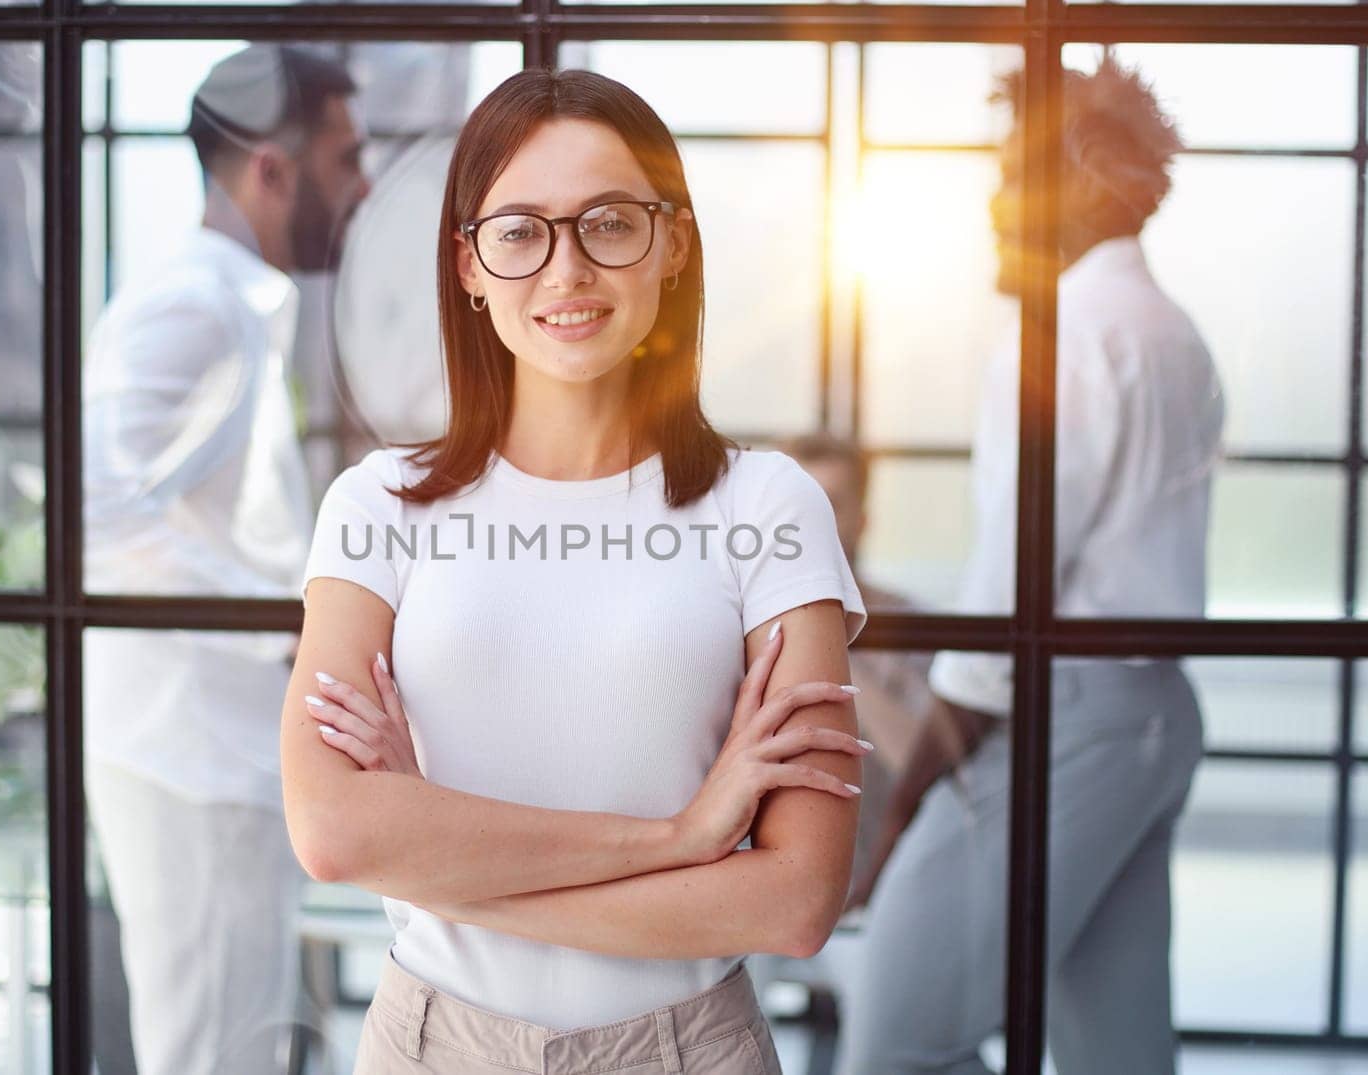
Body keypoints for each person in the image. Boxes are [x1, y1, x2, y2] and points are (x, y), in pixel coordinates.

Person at [281, 67, 871, 1074]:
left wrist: (436, 850)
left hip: (687, 1049)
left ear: (672, 244)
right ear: (467, 263)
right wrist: (683, 837)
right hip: (431, 1045)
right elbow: (336, 832)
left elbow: (794, 899)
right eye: (519, 232)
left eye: (608, 222)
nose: (565, 271)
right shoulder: (378, 506)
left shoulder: (765, 507)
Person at [838, 56, 1226, 1075]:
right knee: (1116, 1048)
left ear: (1089, 177)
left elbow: (1016, 587)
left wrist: (925, 771)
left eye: (1014, 172)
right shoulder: (1170, 330)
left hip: (1071, 718)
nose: (994, 204)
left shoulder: (1065, 331)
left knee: (898, 1039)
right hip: (1146, 716)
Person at [81, 44, 369, 1075]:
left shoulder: (233, 303)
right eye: (345, 158)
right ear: (271, 170)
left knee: (234, 1042)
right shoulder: (192, 305)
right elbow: (94, 512)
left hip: (215, 753)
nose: (365, 184)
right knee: (210, 1054)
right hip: (188, 755)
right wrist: (282, 629)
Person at [775, 433, 935, 889]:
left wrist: (831, 644)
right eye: (794, 503)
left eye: (828, 505)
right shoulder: (727, 621)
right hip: (754, 895)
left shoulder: (912, 623)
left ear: (861, 521)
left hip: (872, 895)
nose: (806, 523)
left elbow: (923, 766)